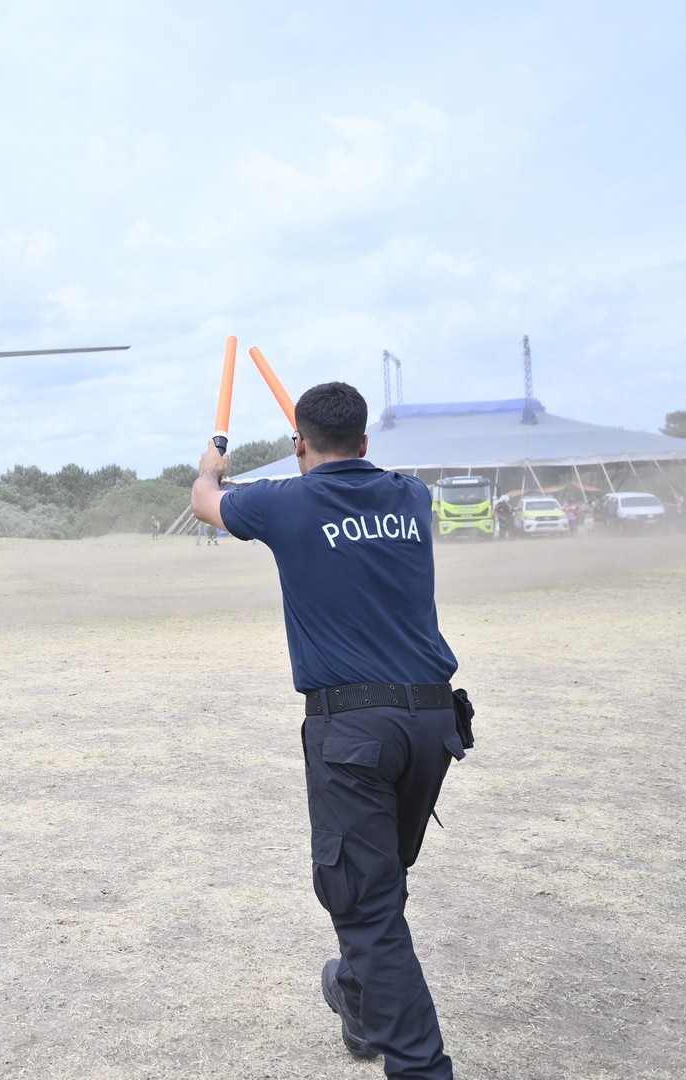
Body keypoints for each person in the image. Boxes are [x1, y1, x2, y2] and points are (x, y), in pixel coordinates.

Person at [190, 381, 464, 1080]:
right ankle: (359, 1002)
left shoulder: (286, 502)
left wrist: (211, 467)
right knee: (379, 884)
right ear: (365, 441)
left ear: (298, 446)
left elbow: (205, 504)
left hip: (355, 731)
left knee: (367, 906)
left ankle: (420, 1067)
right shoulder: (411, 496)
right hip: (432, 722)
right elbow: (355, 481)